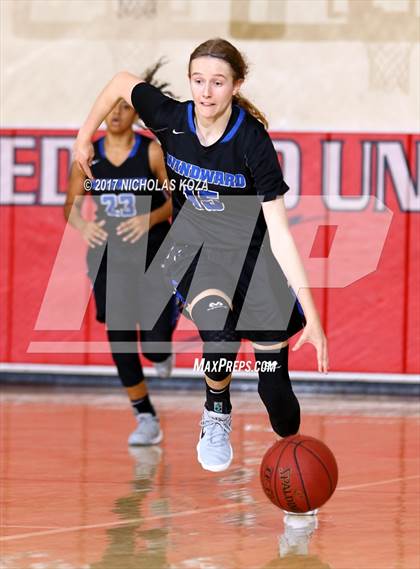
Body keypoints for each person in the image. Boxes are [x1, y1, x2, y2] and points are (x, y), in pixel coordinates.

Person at [73, 39, 329, 482]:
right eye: (198, 81)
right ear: (189, 82)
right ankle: (216, 411)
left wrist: (313, 314)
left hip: (253, 259)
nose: (206, 92)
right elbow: (120, 83)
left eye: (217, 82)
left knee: (276, 389)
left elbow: (282, 233)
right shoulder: (172, 118)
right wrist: (82, 137)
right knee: (218, 323)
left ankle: (296, 474)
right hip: (192, 249)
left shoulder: (252, 141)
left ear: (235, 85)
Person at [65, 64, 177, 446]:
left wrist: (149, 219)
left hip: (153, 252)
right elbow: (70, 207)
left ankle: (163, 348)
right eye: (110, 107)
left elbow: (177, 203)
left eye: (123, 107)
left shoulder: (150, 151)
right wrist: (83, 226)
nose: (114, 114)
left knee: (154, 340)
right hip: (110, 256)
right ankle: (145, 416)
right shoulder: (87, 154)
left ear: (135, 113)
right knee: (119, 336)